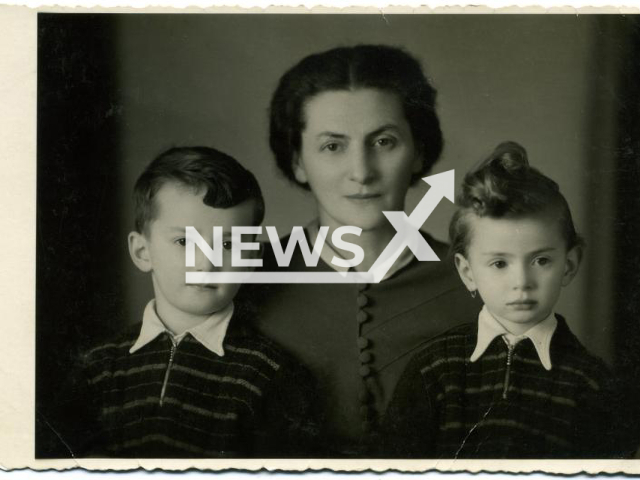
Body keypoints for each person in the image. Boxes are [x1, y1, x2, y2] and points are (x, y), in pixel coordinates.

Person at [244, 44, 478, 456]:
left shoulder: (478, 284)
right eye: (332, 146)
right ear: (298, 160)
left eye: (384, 141)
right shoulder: (244, 282)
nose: (362, 172)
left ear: (419, 150)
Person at [43, 147, 317, 458]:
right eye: (184, 241)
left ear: (251, 258)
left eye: (228, 244)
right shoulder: (98, 369)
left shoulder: (270, 373)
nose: (206, 263)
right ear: (142, 252)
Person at [382, 142, 628, 458]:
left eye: (541, 261)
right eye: (499, 263)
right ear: (468, 272)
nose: (521, 283)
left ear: (569, 264)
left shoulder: (592, 383)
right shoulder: (435, 369)